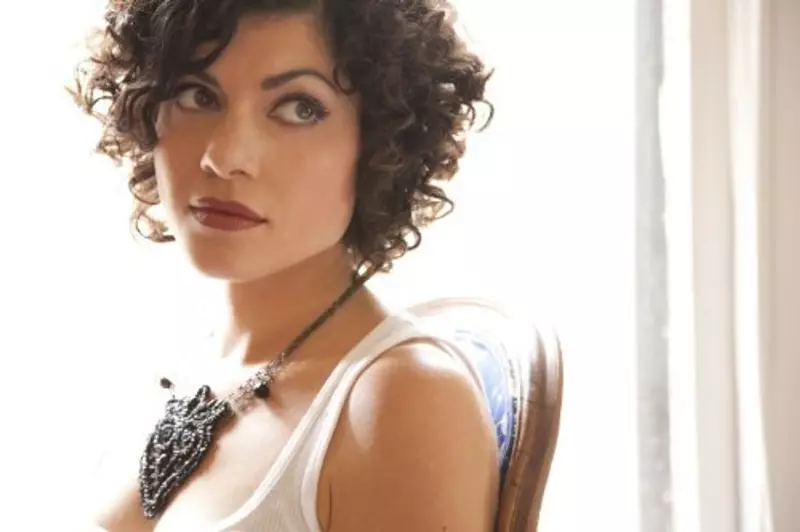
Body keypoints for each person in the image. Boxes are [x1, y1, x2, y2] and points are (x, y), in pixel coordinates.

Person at [71, 0, 497, 530]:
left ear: (382, 141)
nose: (224, 157)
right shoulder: (178, 362)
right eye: (196, 94)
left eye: (299, 108)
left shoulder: (403, 401)